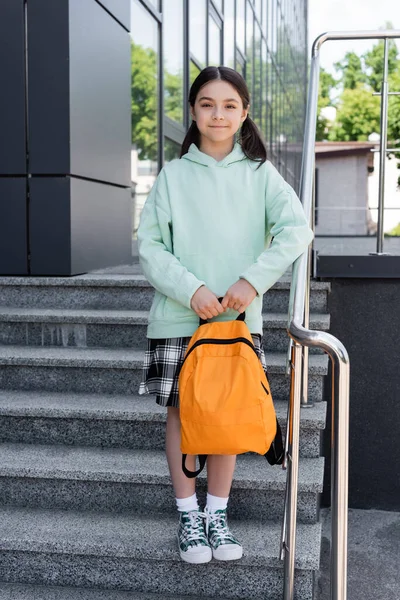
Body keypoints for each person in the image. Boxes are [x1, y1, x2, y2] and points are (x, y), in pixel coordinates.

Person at [137, 65, 314, 565]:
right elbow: (149, 247)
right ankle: (188, 515)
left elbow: (296, 231)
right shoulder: (173, 176)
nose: (219, 114)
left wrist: (251, 280)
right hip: (179, 317)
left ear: (244, 112)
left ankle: (217, 513)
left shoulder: (260, 174)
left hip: (237, 321)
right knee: (181, 414)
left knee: (227, 413)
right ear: (192, 112)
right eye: (208, 104)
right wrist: (190, 289)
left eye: (229, 105)